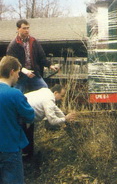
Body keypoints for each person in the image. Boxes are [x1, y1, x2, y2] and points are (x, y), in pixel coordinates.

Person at [0, 56, 35, 184]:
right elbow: (30, 116)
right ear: (12, 72)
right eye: (18, 73)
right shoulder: (15, 94)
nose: (19, 77)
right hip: (10, 149)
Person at [22, 84, 76, 158]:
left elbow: (55, 108)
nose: (62, 98)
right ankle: (26, 158)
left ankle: (28, 156)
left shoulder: (46, 91)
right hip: (22, 116)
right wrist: (65, 119)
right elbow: (52, 120)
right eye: (62, 96)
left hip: (24, 113)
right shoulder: (48, 100)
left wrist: (64, 118)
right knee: (23, 139)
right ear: (56, 93)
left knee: (28, 138)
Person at [6, 19, 59, 93]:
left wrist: (50, 65)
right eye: (24, 28)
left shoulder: (34, 42)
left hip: (34, 73)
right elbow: (12, 62)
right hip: (19, 75)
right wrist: (25, 71)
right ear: (18, 29)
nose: (26, 30)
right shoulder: (13, 45)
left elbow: (42, 56)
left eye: (28, 28)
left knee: (44, 90)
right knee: (17, 94)